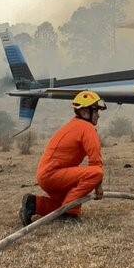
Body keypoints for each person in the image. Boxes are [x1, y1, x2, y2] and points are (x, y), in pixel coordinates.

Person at [19, 91, 106, 226]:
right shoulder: (87, 128)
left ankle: (34, 204)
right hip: (53, 176)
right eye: (95, 110)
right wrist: (98, 186)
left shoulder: (74, 125)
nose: (98, 115)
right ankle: (68, 212)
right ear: (84, 111)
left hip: (46, 176)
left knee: (65, 204)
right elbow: (96, 162)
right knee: (96, 173)